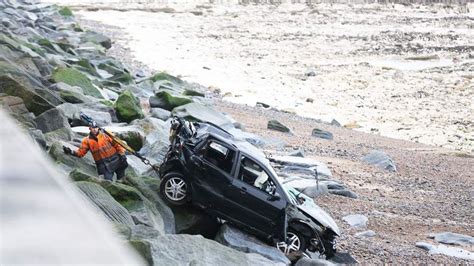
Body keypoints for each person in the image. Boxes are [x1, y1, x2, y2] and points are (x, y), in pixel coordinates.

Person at [63, 121, 128, 181]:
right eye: (92, 128)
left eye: (96, 127)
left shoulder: (106, 135)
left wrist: (122, 155)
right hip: (104, 166)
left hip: (116, 160)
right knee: (107, 183)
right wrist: (71, 152)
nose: (94, 129)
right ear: (90, 129)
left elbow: (118, 145)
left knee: (122, 180)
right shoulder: (87, 140)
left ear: (98, 128)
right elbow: (81, 153)